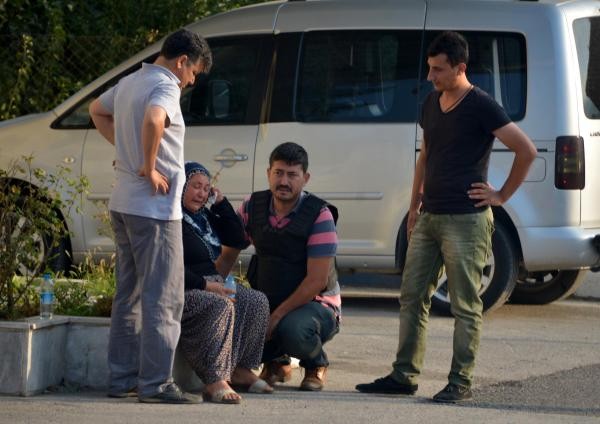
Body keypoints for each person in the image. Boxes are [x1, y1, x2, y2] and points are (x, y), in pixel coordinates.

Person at [356, 31, 537, 403]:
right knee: (412, 296)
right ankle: (404, 376)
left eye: (438, 69)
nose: (430, 76)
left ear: (460, 68)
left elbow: (526, 150)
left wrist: (501, 195)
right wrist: (413, 207)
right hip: (430, 216)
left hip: (467, 220)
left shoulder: (482, 105)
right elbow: (425, 156)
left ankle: (460, 381)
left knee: (465, 304)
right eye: (429, 68)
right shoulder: (431, 102)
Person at [89, 29, 212, 404]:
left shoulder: (130, 81)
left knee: (129, 295)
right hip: (154, 210)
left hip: (123, 204)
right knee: (164, 297)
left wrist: (127, 153)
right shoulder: (165, 86)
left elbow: (97, 110)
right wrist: (148, 164)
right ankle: (156, 384)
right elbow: (155, 120)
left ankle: (122, 379)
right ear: (182, 62)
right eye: (193, 72)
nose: (191, 81)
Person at [228, 142, 340, 392]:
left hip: (316, 304)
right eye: (278, 173)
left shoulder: (320, 215)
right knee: (233, 321)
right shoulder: (251, 206)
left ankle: (316, 364)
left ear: (305, 178)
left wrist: (275, 317)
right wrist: (213, 286)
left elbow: (317, 281)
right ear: (268, 173)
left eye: (292, 175)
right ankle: (277, 363)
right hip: (268, 299)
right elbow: (228, 253)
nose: (284, 182)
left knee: (293, 330)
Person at [178, 161, 272, 404]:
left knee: (255, 301)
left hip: (211, 283)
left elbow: (238, 238)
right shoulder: (173, 219)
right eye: (195, 186)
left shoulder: (204, 216)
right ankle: (214, 379)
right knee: (221, 304)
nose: (201, 193)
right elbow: (170, 266)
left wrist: (221, 203)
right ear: (181, 186)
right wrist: (206, 286)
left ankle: (239, 369)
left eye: (206, 188)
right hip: (185, 288)